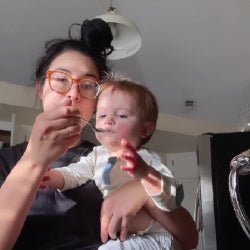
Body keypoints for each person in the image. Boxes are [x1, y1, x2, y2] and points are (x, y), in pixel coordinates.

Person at [0, 18, 198, 250]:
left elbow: (188, 240)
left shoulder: (109, 158)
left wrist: (141, 190)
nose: (73, 94)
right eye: (61, 80)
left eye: (87, 85)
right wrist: (34, 160)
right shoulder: (6, 162)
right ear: (41, 87)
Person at [42, 74, 184, 249]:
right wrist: (48, 176)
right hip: (128, 238)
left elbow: (174, 195)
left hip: (157, 238)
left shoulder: (144, 158)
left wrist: (145, 174)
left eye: (122, 115)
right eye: (102, 115)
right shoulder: (97, 155)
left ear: (145, 129)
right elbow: (74, 174)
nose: (108, 120)